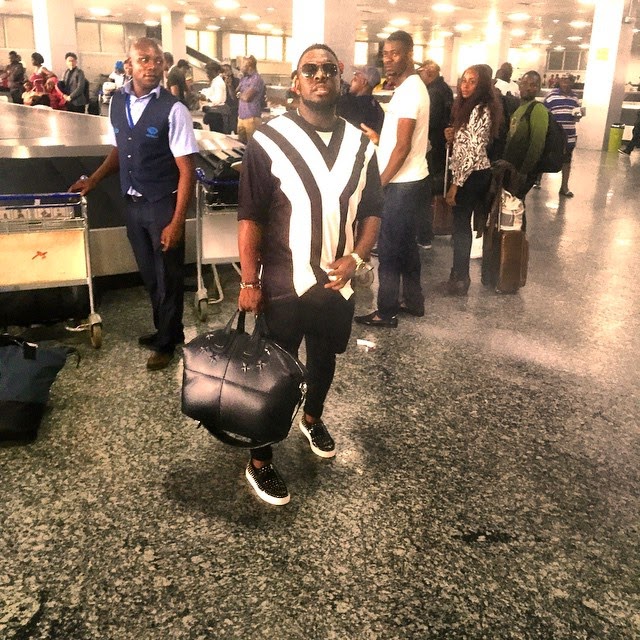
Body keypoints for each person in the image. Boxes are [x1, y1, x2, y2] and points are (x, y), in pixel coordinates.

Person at [237, 43, 382, 505]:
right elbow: (250, 217)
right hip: (283, 281)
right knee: (273, 372)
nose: (320, 75)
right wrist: (249, 281)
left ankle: (313, 418)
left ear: (340, 79)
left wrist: (357, 256)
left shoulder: (362, 146)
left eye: (329, 69)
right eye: (310, 69)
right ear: (296, 82)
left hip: (337, 284)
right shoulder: (269, 139)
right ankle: (260, 459)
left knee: (324, 359)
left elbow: (373, 212)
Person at [69, 37, 198, 371]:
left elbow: (187, 170)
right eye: (144, 59)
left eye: (158, 60)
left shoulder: (174, 110)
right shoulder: (117, 102)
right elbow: (120, 150)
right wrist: (94, 180)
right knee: (151, 276)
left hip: (161, 205)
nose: (152, 66)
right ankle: (168, 330)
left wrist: (177, 221)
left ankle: (166, 343)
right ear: (128, 65)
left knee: (168, 277)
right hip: (133, 203)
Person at [354, 30, 430, 327]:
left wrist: (380, 184)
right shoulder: (410, 88)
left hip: (401, 184)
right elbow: (398, 141)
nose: (388, 59)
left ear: (409, 54)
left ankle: (386, 312)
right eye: (385, 54)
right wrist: (378, 139)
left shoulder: (410, 92)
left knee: (388, 248)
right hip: (412, 179)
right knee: (407, 245)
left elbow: (403, 147)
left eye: (394, 53)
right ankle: (413, 300)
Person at [441, 65, 502, 296]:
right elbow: (466, 142)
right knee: (461, 225)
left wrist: (456, 184)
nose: (465, 86)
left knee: (461, 226)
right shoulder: (471, 107)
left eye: (472, 81)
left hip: (471, 175)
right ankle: (458, 274)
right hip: (472, 173)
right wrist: (452, 136)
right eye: (463, 80)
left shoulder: (479, 109)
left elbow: (473, 150)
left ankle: (460, 276)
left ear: (482, 84)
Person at [417, 59, 453, 249]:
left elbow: (428, 122)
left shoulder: (433, 93)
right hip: (441, 146)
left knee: (425, 191)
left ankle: (424, 234)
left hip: (432, 148)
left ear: (429, 72)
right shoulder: (445, 89)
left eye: (421, 72)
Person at [502, 70, 548, 201]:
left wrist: (524, 172)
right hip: (511, 168)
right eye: (525, 83)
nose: (528, 88)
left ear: (538, 89)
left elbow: (537, 144)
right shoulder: (520, 108)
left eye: (533, 85)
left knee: (516, 204)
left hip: (521, 171)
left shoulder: (538, 109)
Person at [539, 73, 581, 197]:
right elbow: (544, 112)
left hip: (569, 135)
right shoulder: (551, 96)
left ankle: (564, 187)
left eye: (568, 81)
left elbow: (576, 116)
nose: (565, 84)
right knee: (545, 156)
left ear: (572, 83)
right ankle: (537, 180)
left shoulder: (575, 98)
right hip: (554, 134)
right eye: (563, 81)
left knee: (567, 161)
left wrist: (578, 115)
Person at [337, 65, 385, 135]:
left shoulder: (348, 105)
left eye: (355, 79)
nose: (351, 81)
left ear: (364, 82)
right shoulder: (378, 109)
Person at [236, 55, 265, 144]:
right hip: (241, 117)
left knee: (252, 145)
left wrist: (240, 94)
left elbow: (247, 97)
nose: (240, 67)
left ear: (249, 66)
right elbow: (235, 92)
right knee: (241, 145)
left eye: (242, 65)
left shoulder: (257, 79)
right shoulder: (244, 78)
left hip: (252, 118)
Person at [200, 61, 231, 133]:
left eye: (208, 72)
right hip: (216, 113)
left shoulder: (218, 82)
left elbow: (217, 99)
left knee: (218, 135)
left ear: (214, 71)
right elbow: (211, 91)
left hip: (218, 114)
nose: (207, 74)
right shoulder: (215, 81)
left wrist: (206, 98)